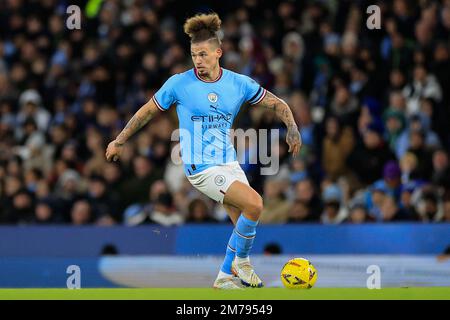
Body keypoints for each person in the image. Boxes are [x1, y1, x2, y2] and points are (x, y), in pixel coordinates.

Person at [105, 13, 301, 289]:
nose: (198, 60)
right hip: (200, 167)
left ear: (218, 52)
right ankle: (242, 264)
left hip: (229, 164)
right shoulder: (179, 83)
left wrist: (291, 127)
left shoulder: (238, 83)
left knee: (243, 222)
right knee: (256, 204)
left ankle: (223, 278)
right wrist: (120, 139)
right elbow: (147, 111)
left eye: (203, 54)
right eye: (194, 55)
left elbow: (278, 104)